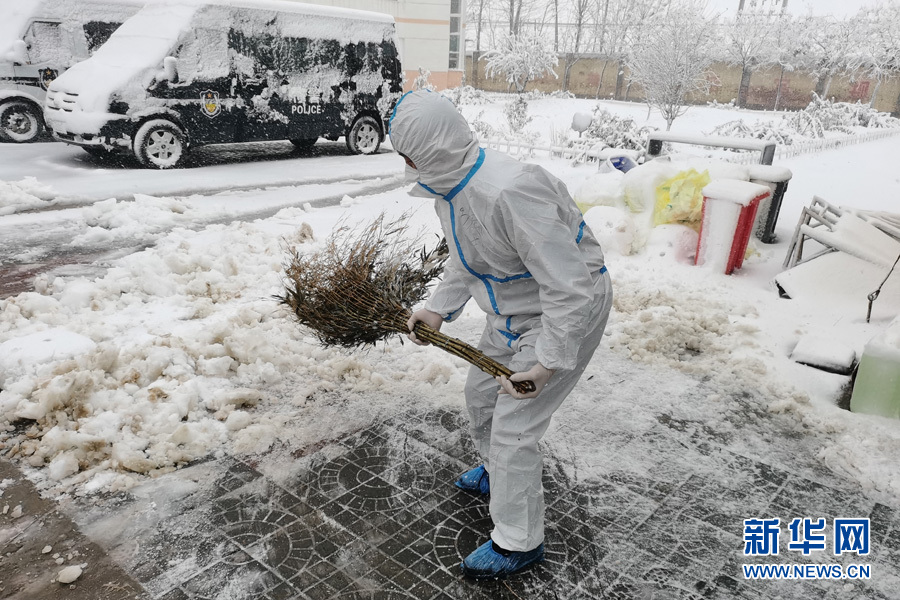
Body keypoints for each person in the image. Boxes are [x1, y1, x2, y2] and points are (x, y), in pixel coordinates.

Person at [389, 90, 613, 580]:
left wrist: (545, 364)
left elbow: (569, 288)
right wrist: (437, 311)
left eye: (407, 152)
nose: (403, 161)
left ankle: (518, 541)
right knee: (482, 394)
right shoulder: (452, 188)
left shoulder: (511, 191)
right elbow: (470, 256)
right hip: (512, 311)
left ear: (431, 149)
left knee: (515, 426)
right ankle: (497, 474)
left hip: (560, 312)